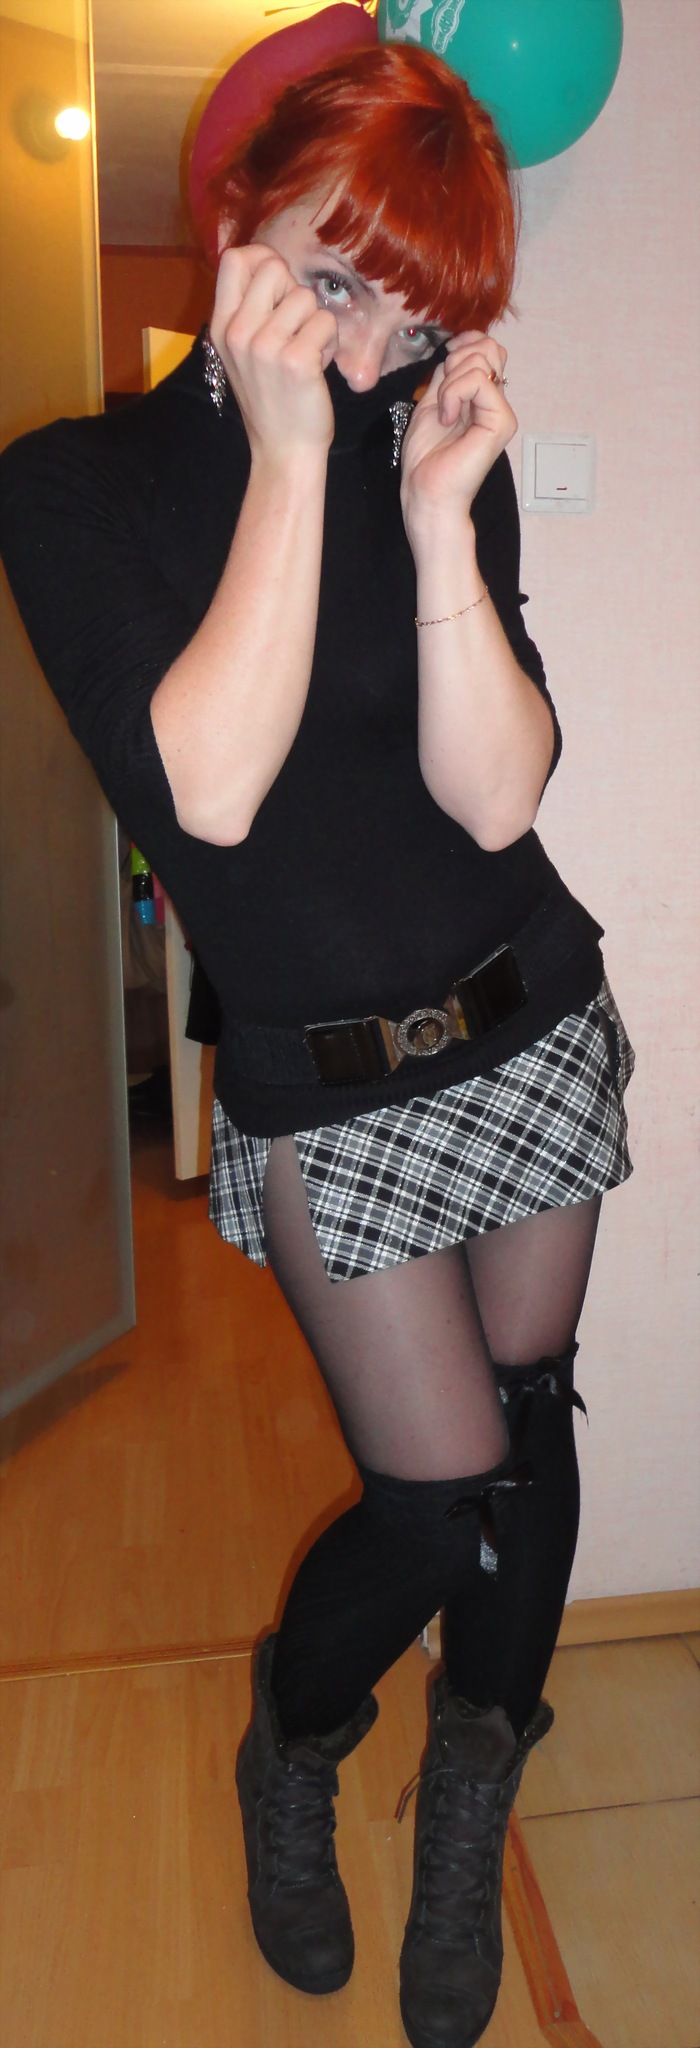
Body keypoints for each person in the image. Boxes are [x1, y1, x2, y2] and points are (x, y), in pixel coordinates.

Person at [0, 41, 634, 2048]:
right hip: (326, 1083)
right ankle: (296, 1737)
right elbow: (206, 786)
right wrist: (284, 461)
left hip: (528, 1018)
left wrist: (440, 523)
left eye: (415, 315)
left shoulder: (426, 444)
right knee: (431, 1493)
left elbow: (493, 798)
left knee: (528, 1427)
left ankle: (475, 1779)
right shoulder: (72, 487)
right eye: (335, 279)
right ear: (234, 216)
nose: (367, 352)